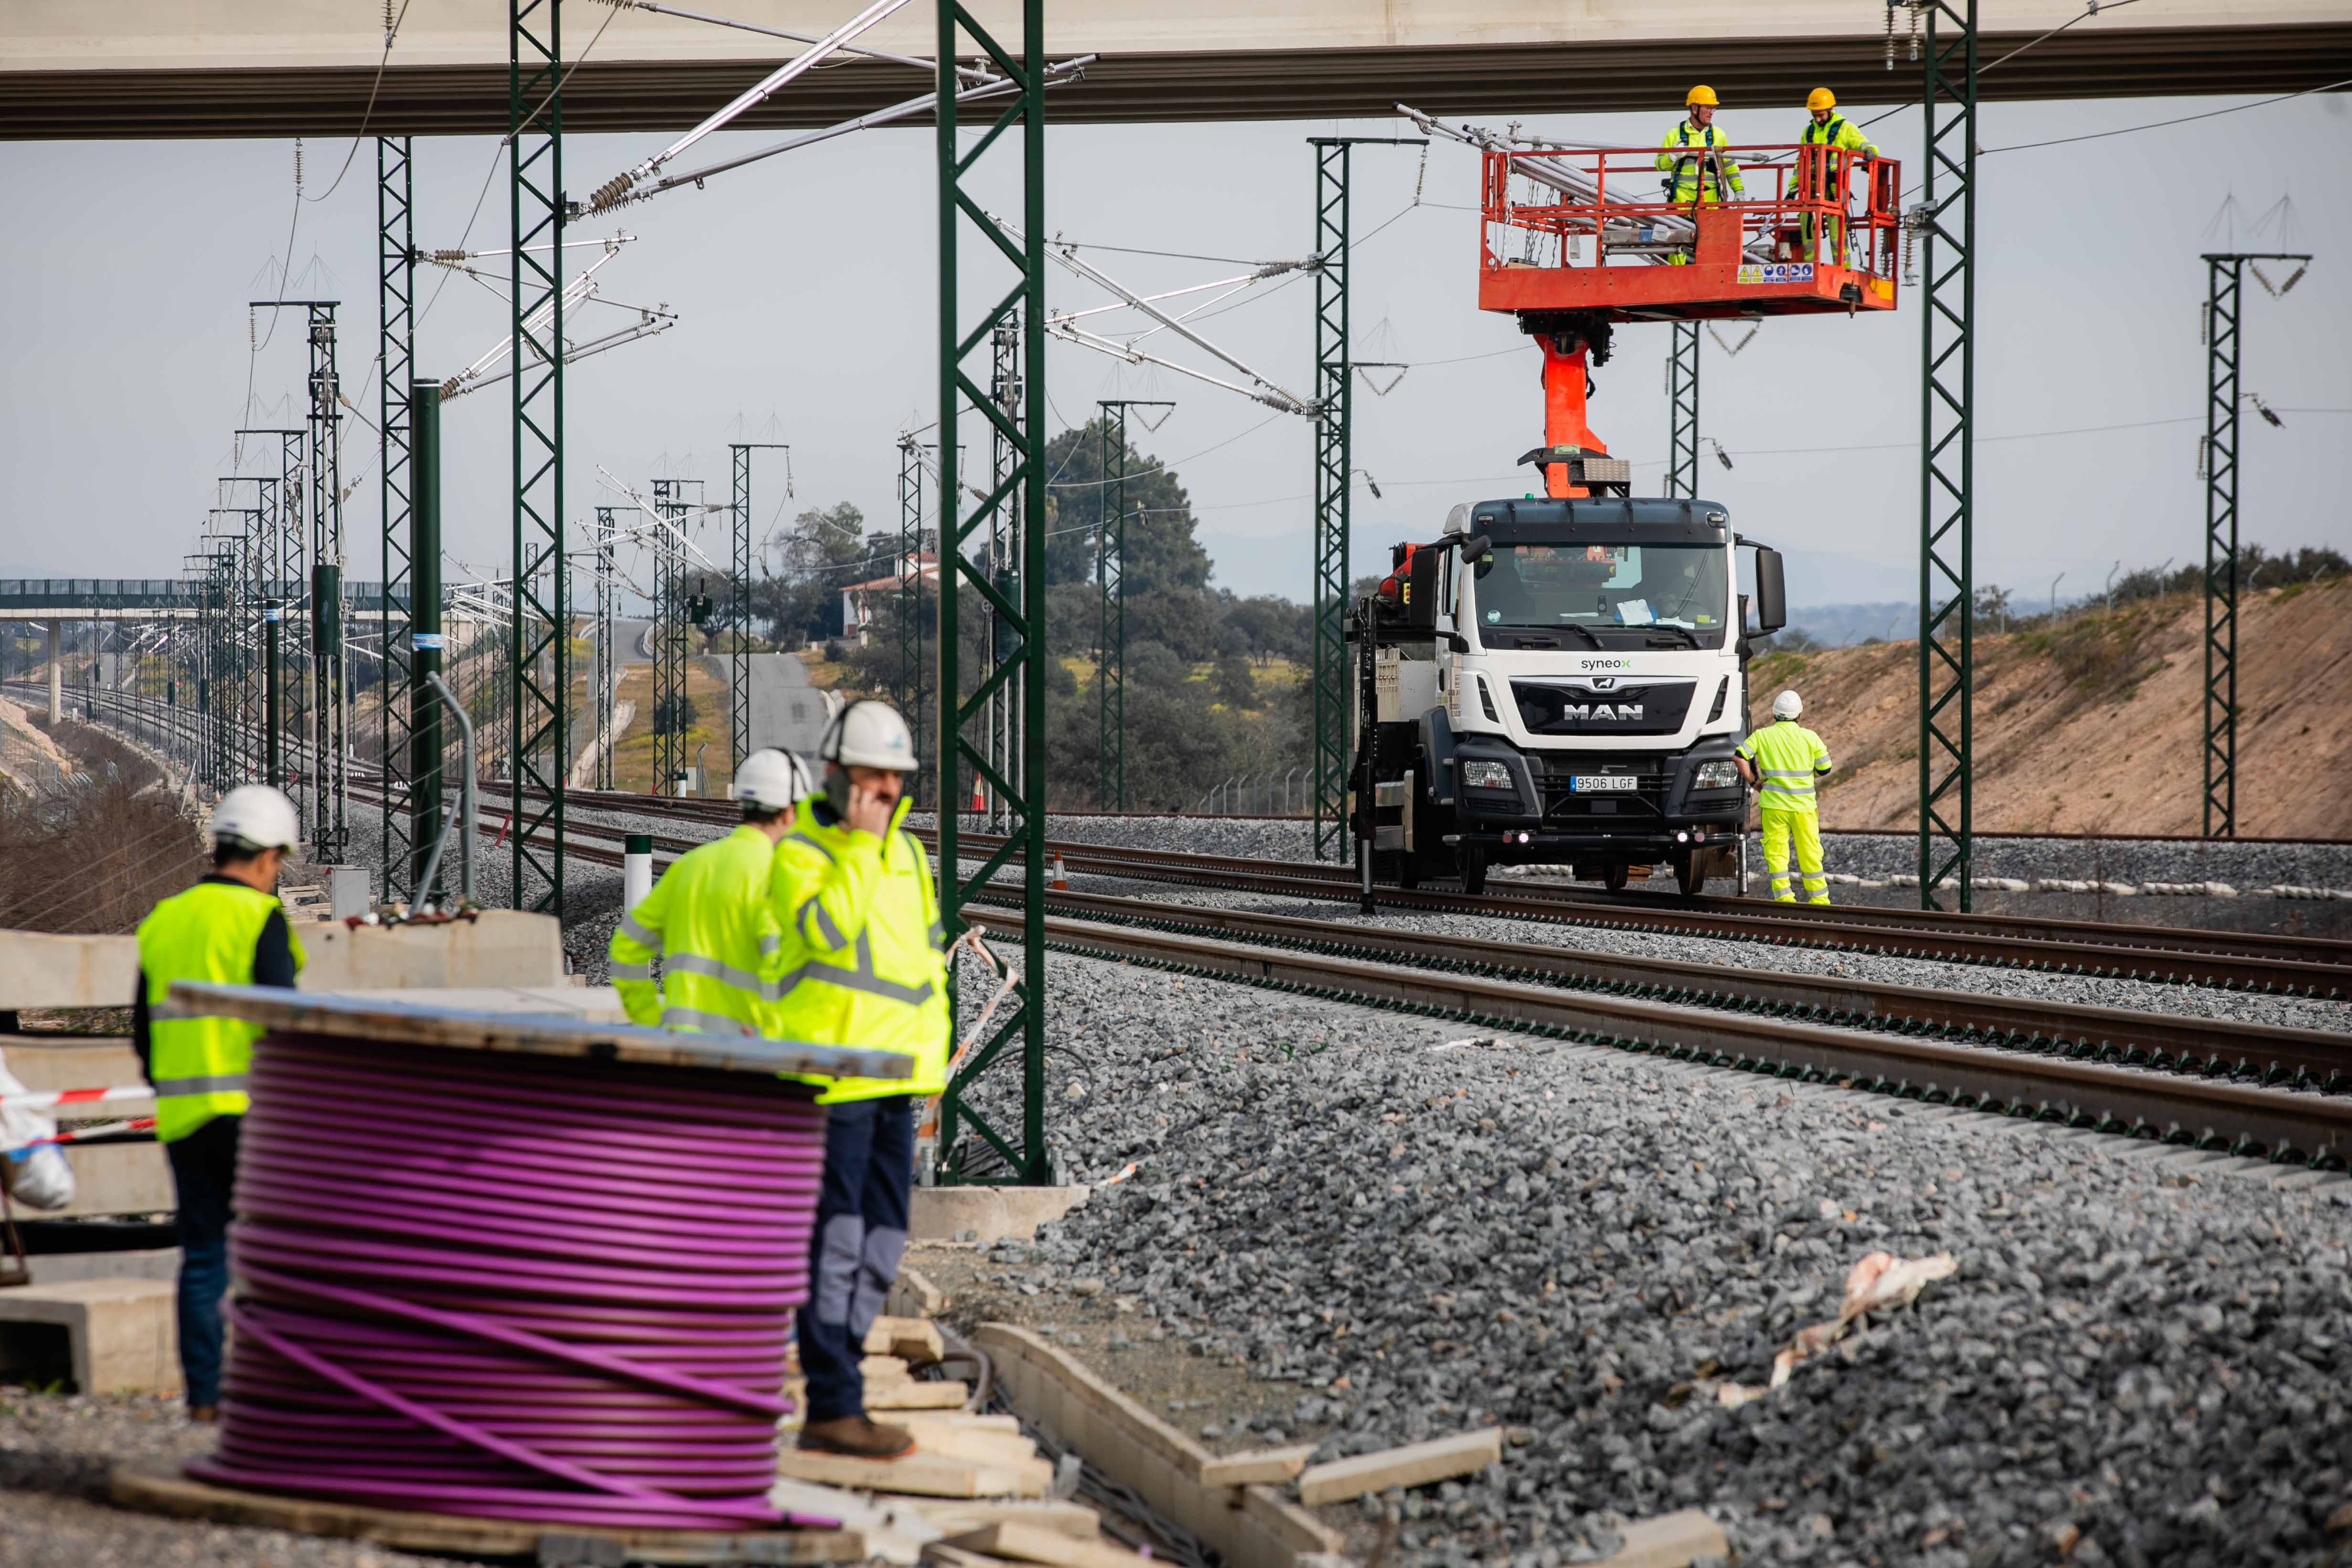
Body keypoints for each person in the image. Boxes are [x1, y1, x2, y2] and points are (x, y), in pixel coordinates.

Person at [768, 700, 947, 1461]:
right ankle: (834, 1402)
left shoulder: (906, 855)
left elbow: (923, 967)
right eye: (870, 778)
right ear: (836, 776)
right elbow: (828, 933)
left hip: (896, 1083)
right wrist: (858, 846)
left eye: (893, 781)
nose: (882, 793)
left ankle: (839, 1381)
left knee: (881, 1241)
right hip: (830, 1080)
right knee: (835, 1242)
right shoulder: (802, 853)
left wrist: (932, 1069)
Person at [132, 784, 305, 1423]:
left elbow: (144, 1036)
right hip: (257, 1118)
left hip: (184, 1117)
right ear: (265, 858)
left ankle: (204, 1398)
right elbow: (282, 1020)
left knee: (203, 1256)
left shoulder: (163, 918)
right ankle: (273, 1393)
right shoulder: (261, 918)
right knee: (273, 1254)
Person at [610, 748, 813, 1035]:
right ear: (790, 811)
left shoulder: (689, 867)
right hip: (748, 1058)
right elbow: (784, 973)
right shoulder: (782, 875)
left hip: (681, 1051)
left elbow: (626, 948)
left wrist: (650, 1019)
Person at [1734, 690, 1835, 904]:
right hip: (1803, 808)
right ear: (1799, 716)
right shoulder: (1810, 737)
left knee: (1777, 853)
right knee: (1810, 852)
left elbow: (1740, 757)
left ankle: (1785, 899)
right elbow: (1825, 768)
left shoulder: (1763, 736)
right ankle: (1819, 900)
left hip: (1773, 807)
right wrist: (1809, 774)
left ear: (1775, 714)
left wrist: (1754, 781)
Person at [1658, 86, 1744, 263]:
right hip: (1681, 205)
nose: (1712, 112)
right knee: (1678, 252)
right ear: (1694, 108)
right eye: (1708, 108)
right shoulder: (1675, 134)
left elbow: (1730, 166)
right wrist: (1671, 156)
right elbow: (1659, 165)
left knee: (1710, 254)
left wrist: (1739, 191)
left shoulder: (1718, 135)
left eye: (1714, 108)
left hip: (1711, 204)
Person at [1798, 89, 1877, 262]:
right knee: (1806, 219)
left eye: (1820, 115)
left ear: (1830, 109)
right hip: (1812, 187)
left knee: (1837, 228)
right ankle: (1809, 265)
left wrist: (1870, 151)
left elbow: (1862, 143)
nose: (1817, 119)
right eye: (1815, 115)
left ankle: (1842, 267)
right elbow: (1801, 163)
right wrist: (1793, 187)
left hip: (1834, 187)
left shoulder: (1846, 129)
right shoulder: (1808, 132)